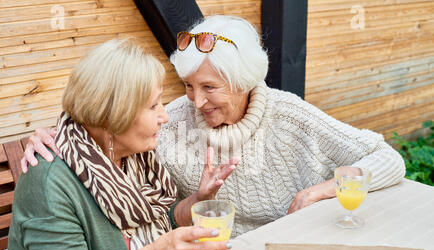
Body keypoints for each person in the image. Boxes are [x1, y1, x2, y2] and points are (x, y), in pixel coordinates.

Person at [21, 15, 406, 238]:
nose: (196, 102)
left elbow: (387, 159)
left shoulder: (290, 116)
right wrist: (56, 133)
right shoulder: (170, 120)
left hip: (289, 249)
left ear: (243, 81)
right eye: (188, 86)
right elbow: (107, 123)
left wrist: (320, 191)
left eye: (209, 87)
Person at [2, 38, 238, 250]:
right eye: (153, 106)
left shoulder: (135, 155)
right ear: (114, 115)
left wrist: (199, 199)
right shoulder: (48, 181)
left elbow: (160, 218)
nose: (165, 116)